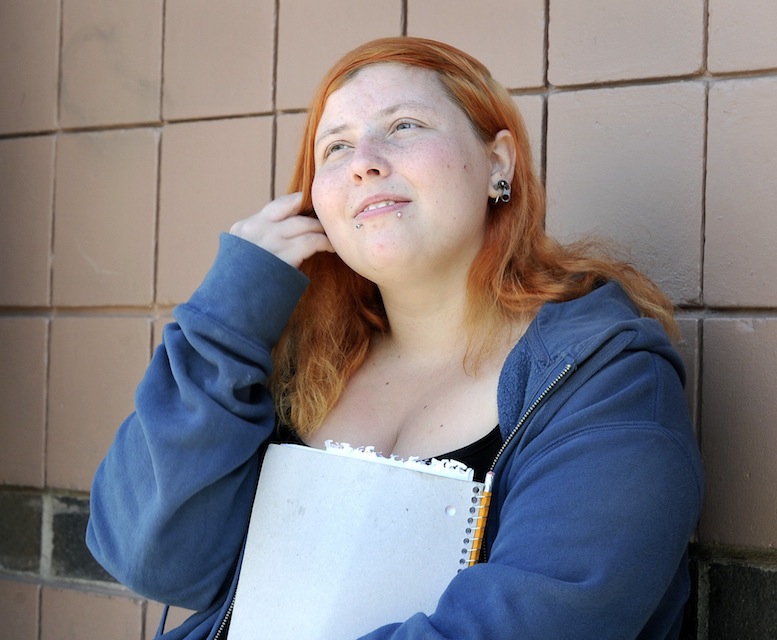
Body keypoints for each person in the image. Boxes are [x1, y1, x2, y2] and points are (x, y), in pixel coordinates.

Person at [86, 37, 703, 639]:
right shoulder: (294, 367)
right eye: (335, 147)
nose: (363, 161)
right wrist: (226, 319)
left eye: (404, 125)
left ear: (498, 162)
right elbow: (152, 558)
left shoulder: (605, 381)